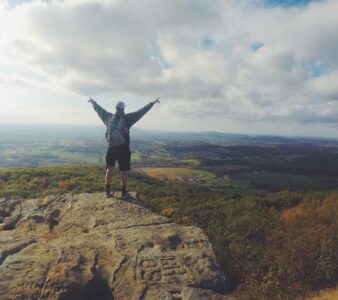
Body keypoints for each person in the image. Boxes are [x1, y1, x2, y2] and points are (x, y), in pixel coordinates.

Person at [88, 97, 160, 198]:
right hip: (124, 149)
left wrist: (93, 102)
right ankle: (123, 193)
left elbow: (99, 110)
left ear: (116, 108)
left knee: (109, 169)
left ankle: (107, 192)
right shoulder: (127, 118)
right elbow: (141, 112)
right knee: (124, 170)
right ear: (123, 109)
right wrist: (151, 103)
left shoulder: (108, 117)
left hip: (111, 147)